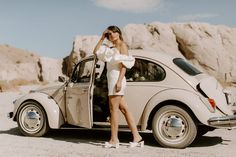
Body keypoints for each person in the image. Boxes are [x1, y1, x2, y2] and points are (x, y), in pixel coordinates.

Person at [93, 25, 144, 148]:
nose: (111, 35)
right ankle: (137, 137)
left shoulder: (122, 45)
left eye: (113, 33)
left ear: (118, 33)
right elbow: (95, 51)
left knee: (113, 111)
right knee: (124, 110)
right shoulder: (110, 47)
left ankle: (114, 140)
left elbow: (124, 66)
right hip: (112, 80)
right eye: (109, 34)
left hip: (117, 80)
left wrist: (119, 82)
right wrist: (102, 38)